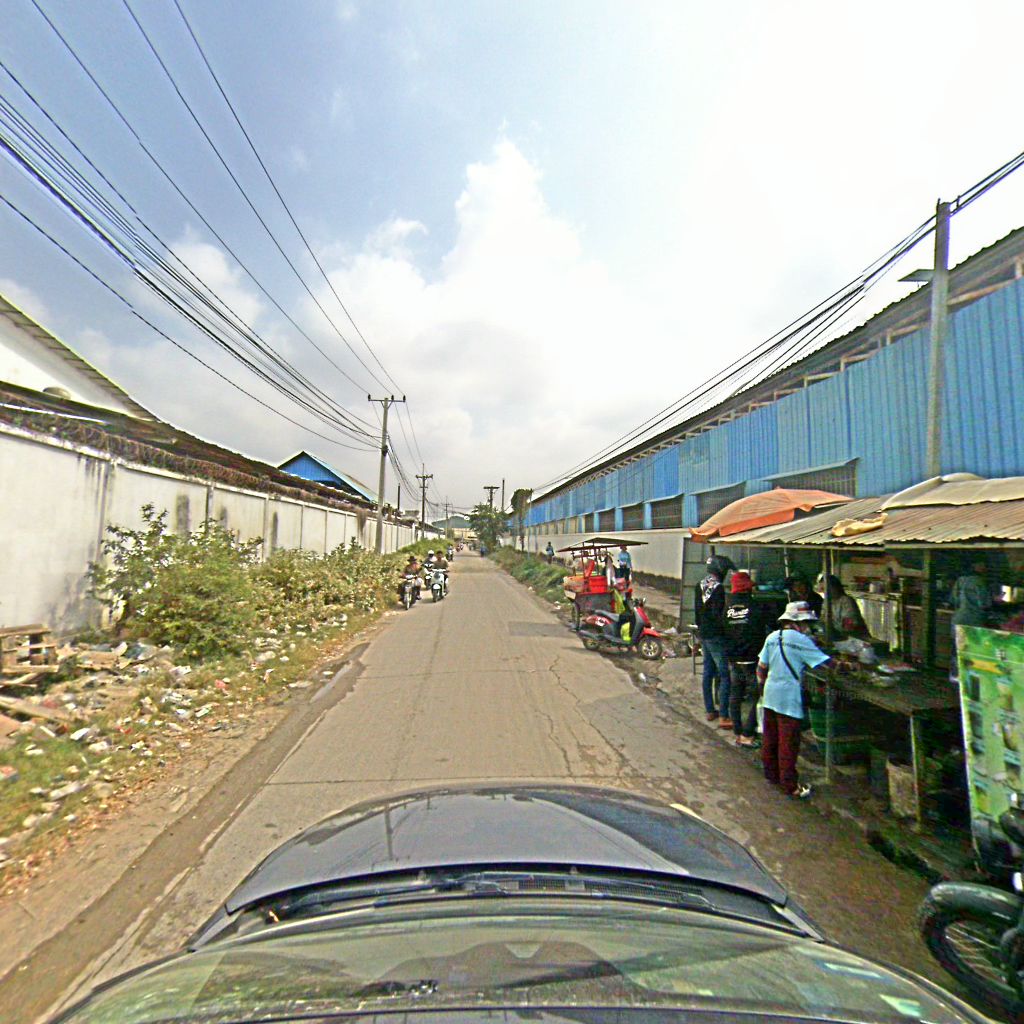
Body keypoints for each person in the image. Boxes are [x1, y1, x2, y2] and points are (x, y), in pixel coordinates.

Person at [756, 601, 835, 799]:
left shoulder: (772, 637)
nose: (807, 627)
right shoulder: (801, 640)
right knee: (788, 743)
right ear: (798, 623)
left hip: (770, 693)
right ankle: (790, 786)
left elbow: (761, 668)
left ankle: (771, 774)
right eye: (806, 622)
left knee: (770, 737)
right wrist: (847, 666)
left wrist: (763, 688)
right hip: (789, 697)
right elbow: (824, 663)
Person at [724, 571, 771, 748]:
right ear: (748, 588)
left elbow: (723, 630)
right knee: (758, 696)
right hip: (752, 659)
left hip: (734, 659)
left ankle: (738, 731)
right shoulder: (756, 606)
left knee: (735, 694)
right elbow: (766, 628)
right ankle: (747, 733)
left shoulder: (726, 607)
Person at [695, 555, 733, 729]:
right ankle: (724, 715)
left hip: (703, 633)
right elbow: (719, 616)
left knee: (708, 672)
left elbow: (698, 613)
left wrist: (700, 631)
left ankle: (710, 710)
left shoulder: (700, 585)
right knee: (725, 674)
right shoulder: (718, 589)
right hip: (715, 636)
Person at [817, 574, 869, 638]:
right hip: (840, 637)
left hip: (856, 638)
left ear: (834, 587)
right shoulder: (827, 601)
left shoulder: (846, 601)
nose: (824, 592)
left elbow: (848, 626)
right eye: (822, 589)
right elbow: (823, 619)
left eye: (825, 589)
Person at [951, 559, 992, 637]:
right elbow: (984, 604)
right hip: (974, 621)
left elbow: (954, 599)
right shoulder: (980, 582)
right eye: (982, 565)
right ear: (975, 566)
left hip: (958, 618)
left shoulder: (960, 580)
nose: (985, 568)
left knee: (958, 643)